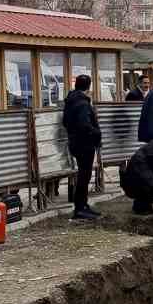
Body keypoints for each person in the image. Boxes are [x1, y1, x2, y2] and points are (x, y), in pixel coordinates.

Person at [61, 74, 101, 219]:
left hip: (75, 143)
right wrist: (96, 132)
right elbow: (85, 125)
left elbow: (65, 122)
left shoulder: (71, 101)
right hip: (85, 144)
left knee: (83, 175)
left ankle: (82, 205)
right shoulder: (83, 103)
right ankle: (80, 207)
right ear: (88, 86)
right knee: (84, 176)